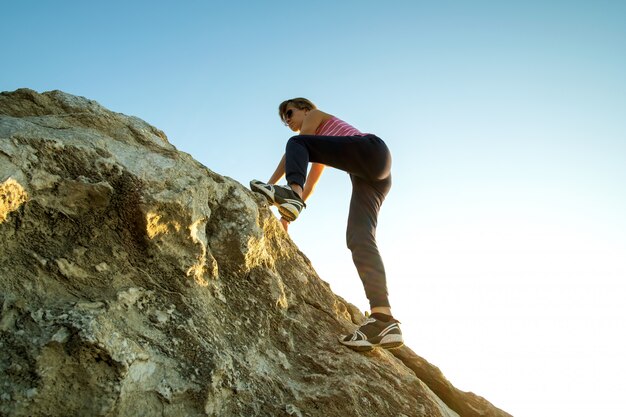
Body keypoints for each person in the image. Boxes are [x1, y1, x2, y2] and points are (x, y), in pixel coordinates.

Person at [250, 98, 403, 351]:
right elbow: (310, 183)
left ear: (305, 109)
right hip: (374, 175)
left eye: (289, 113)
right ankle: (383, 320)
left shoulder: (315, 116)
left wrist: (271, 186)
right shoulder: (320, 146)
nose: (288, 121)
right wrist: (287, 216)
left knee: (295, 143)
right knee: (359, 237)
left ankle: (290, 192)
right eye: (284, 119)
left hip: (371, 149)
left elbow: (296, 148)